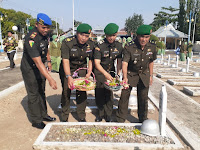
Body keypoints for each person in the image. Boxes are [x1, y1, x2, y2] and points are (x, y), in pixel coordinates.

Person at [20, 13, 57, 129]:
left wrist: (49, 61)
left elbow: (46, 48)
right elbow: (38, 62)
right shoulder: (31, 39)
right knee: (33, 93)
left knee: (41, 90)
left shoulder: (45, 34)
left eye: (47, 28)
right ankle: (36, 120)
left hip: (40, 66)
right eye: (43, 27)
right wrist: (50, 79)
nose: (46, 30)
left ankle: (43, 114)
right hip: (30, 68)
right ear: (36, 25)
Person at [116, 25, 157, 123]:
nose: (144, 39)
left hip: (144, 75)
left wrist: (151, 75)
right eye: (141, 37)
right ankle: (120, 118)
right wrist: (124, 77)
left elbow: (151, 62)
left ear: (149, 37)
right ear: (137, 36)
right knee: (124, 96)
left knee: (143, 97)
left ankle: (143, 119)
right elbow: (124, 63)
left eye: (146, 37)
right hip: (131, 74)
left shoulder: (152, 47)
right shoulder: (129, 46)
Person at [59, 23, 95, 122]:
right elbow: (65, 60)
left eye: (86, 36)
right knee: (67, 91)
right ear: (77, 33)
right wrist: (68, 76)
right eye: (81, 35)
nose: (84, 38)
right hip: (68, 68)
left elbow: (91, 59)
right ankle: (64, 115)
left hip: (82, 67)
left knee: (82, 91)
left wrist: (89, 72)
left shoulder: (91, 44)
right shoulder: (67, 42)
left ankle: (81, 116)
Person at [94, 23, 123, 122]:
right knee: (100, 92)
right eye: (109, 36)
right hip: (100, 71)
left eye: (113, 35)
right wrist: (105, 74)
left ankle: (108, 114)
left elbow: (119, 61)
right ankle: (100, 114)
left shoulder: (119, 45)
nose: (111, 38)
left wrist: (118, 74)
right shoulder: (100, 45)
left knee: (109, 93)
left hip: (111, 70)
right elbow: (97, 63)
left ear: (116, 34)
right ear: (105, 35)